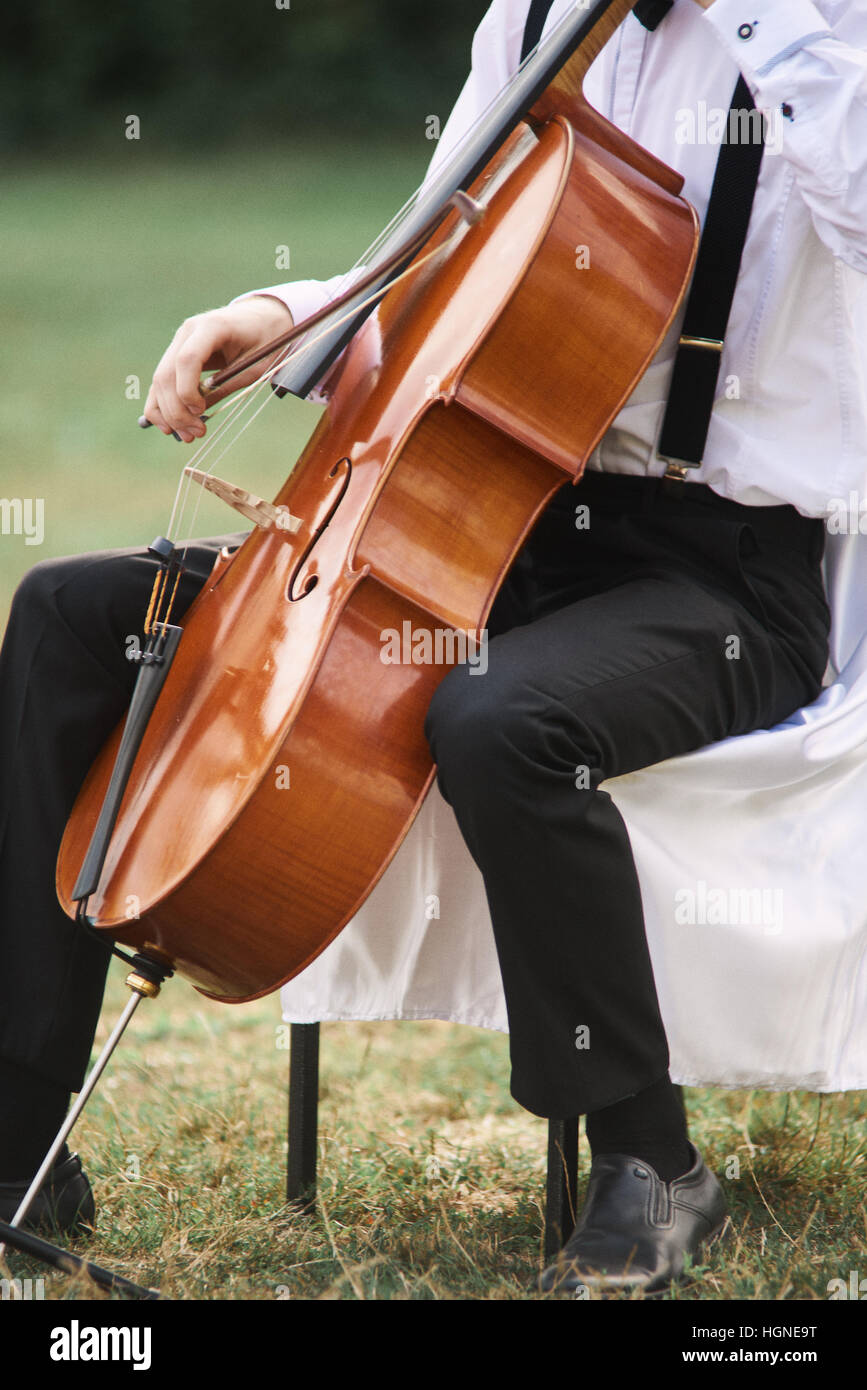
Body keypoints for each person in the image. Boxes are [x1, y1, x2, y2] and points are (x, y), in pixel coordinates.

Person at [1, 0, 865, 1297]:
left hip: (724, 570)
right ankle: (20, 1135)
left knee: (503, 719)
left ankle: (651, 1156)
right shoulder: (535, 15)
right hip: (496, 523)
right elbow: (429, 254)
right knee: (67, 618)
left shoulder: (828, 34)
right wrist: (276, 312)